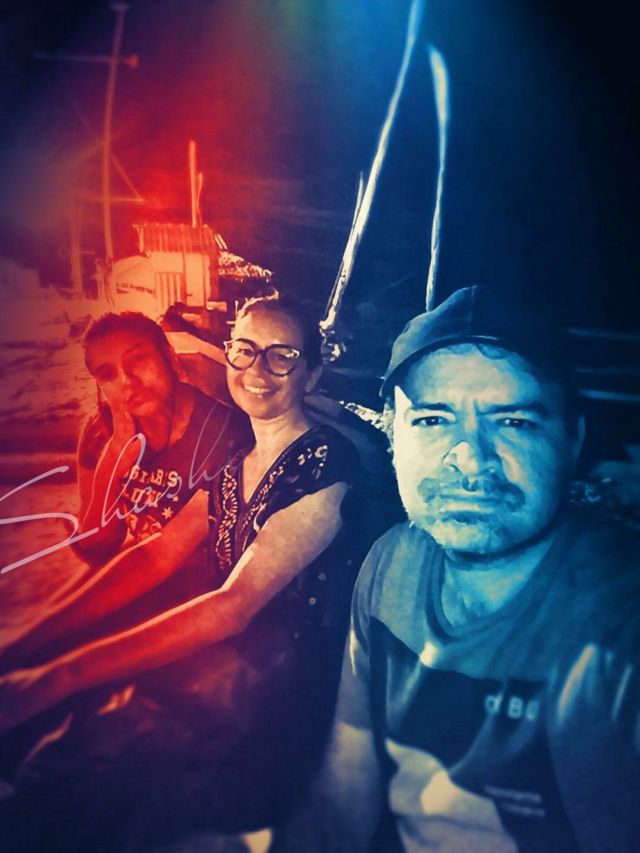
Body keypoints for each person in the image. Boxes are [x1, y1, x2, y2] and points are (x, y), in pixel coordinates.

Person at [0, 296, 371, 850]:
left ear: (312, 374)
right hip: (218, 666)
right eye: (245, 351)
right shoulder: (235, 466)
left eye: (283, 356)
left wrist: (63, 674)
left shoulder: (324, 462)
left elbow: (232, 606)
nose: (259, 370)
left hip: (270, 692)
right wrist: (32, 643)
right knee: (44, 713)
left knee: (75, 764)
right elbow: (153, 555)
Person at [280, 285, 640, 852]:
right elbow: (344, 796)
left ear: (574, 440)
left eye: (515, 422)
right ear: (393, 439)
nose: (470, 457)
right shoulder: (391, 564)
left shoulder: (616, 616)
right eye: (432, 420)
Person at [74, 310, 249, 567]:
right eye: (107, 374)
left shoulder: (226, 434)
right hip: (144, 576)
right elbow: (96, 548)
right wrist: (112, 463)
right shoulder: (99, 433)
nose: (126, 380)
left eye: (138, 360)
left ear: (169, 357)